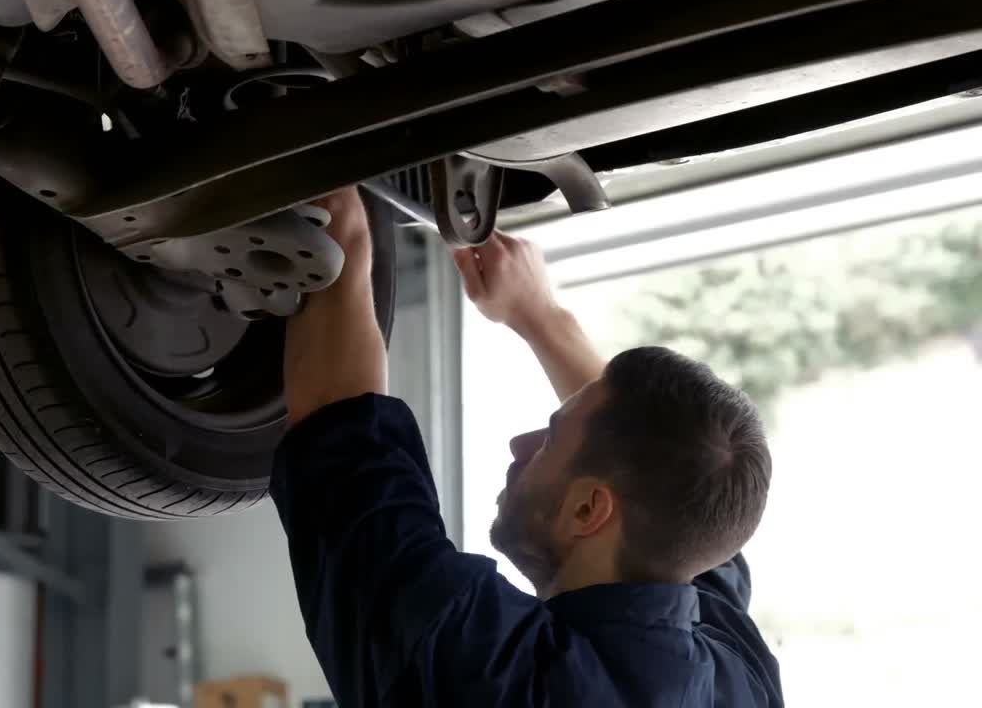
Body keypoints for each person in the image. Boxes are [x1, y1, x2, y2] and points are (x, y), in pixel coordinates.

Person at [272, 187, 783, 707]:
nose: (521, 444)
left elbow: (346, 449)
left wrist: (337, 215)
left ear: (588, 508)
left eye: (549, 440)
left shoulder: (500, 680)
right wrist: (539, 315)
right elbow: (674, 478)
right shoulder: (730, 672)